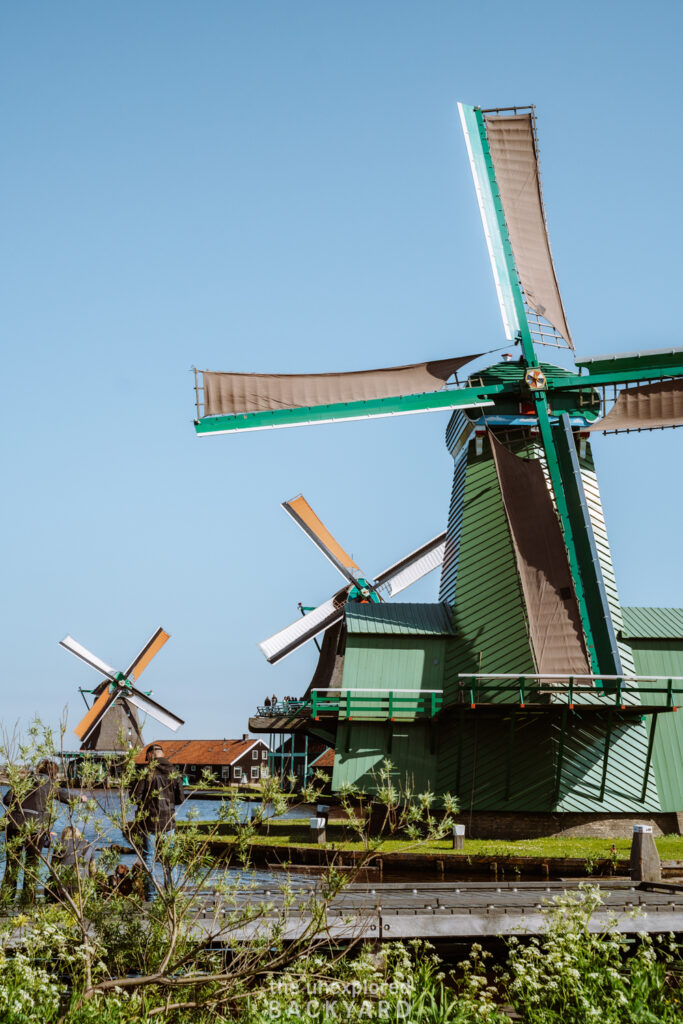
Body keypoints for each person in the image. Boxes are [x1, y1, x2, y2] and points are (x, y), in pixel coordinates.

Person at [1, 759, 83, 905]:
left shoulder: (24, 781)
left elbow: (6, 800)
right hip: (35, 829)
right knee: (31, 866)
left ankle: (5, 903)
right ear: (53, 774)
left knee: (11, 866)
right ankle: (27, 903)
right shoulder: (49, 784)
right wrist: (80, 799)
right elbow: (64, 796)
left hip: (14, 825)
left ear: (38, 769)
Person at [130, 743, 184, 901]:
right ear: (162, 755)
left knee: (149, 858)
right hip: (169, 821)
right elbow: (180, 798)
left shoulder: (146, 772)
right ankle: (171, 895)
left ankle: (151, 895)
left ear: (150, 756)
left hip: (149, 821)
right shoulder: (174, 772)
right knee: (170, 859)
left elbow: (134, 797)